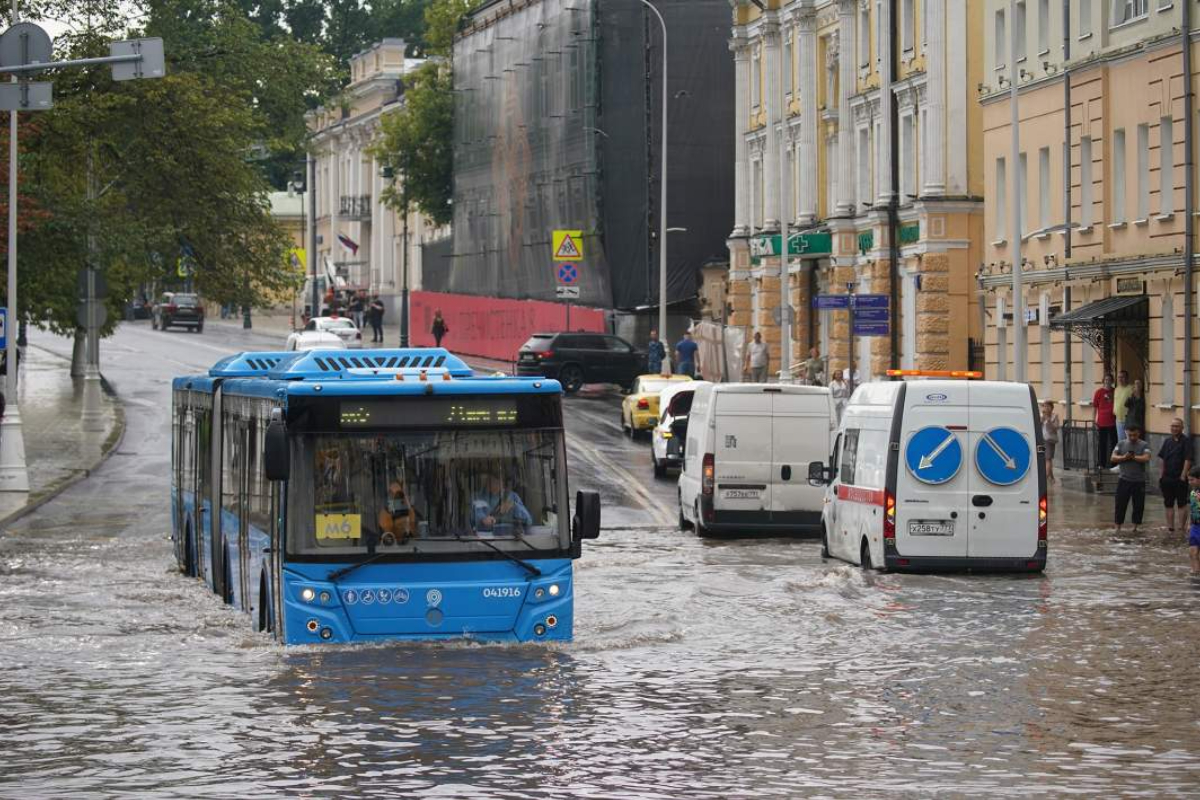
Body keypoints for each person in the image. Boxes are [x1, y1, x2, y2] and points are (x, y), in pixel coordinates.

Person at [1112, 424, 1151, 533]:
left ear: (1138, 433)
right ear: (1126, 433)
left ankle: (1135, 527)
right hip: (1124, 479)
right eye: (1130, 435)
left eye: (1134, 435)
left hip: (1139, 480)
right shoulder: (1121, 444)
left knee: (1138, 505)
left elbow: (1146, 457)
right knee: (1120, 504)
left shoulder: (1144, 445)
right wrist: (1124, 457)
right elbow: (1113, 457)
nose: (1132, 437)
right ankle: (1118, 527)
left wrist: (1134, 457)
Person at [1158, 418, 1192, 535]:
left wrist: (1183, 475)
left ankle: (1181, 528)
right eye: (1172, 426)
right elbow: (1162, 458)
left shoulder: (1186, 441)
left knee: (1182, 503)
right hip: (1167, 478)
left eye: (1177, 426)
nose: (1174, 428)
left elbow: (1188, 459)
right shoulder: (1167, 441)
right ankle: (1170, 528)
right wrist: (1161, 475)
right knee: (1168, 503)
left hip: (1180, 478)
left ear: (1182, 428)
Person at [377, 477, 418, 545]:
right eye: (393, 496)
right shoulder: (385, 513)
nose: (396, 500)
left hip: (411, 549)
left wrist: (408, 533)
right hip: (392, 550)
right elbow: (387, 533)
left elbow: (413, 533)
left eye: (399, 496)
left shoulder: (410, 512)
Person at [1093, 375, 1117, 469]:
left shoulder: (1115, 391)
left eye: (1109, 379)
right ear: (1103, 381)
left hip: (1113, 422)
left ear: (1112, 381)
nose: (1107, 381)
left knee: (1114, 443)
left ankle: (1114, 464)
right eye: (1106, 379)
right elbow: (1095, 407)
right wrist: (1094, 420)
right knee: (1102, 444)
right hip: (1101, 422)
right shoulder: (1098, 392)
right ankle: (1101, 464)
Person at [1041, 400, 1061, 482]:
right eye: (1044, 406)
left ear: (1051, 408)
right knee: (1045, 459)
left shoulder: (1055, 416)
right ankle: (1051, 477)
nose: (1045, 408)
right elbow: (1038, 425)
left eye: (1047, 406)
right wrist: (1042, 419)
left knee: (1048, 458)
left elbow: (1056, 427)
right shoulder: (1042, 416)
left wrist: (1048, 420)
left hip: (1049, 440)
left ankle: (1045, 478)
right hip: (1042, 439)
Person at [1187, 466, 1200, 575]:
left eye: (1192, 480)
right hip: (1195, 526)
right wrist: (1189, 524)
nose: (1190, 482)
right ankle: (1195, 575)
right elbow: (1192, 508)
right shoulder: (1192, 492)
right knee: (1192, 552)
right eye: (1189, 480)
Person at [1113, 370, 1133, 442]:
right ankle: (1123, 454)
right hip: (1118, 420)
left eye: (1122, 377)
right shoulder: (1116, 389)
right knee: (1121, 442)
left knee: (1130, 441)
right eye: (1119, 377)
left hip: (1128, 420)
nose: (1120, 379)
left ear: (1127, 378)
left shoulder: (1131, 388)